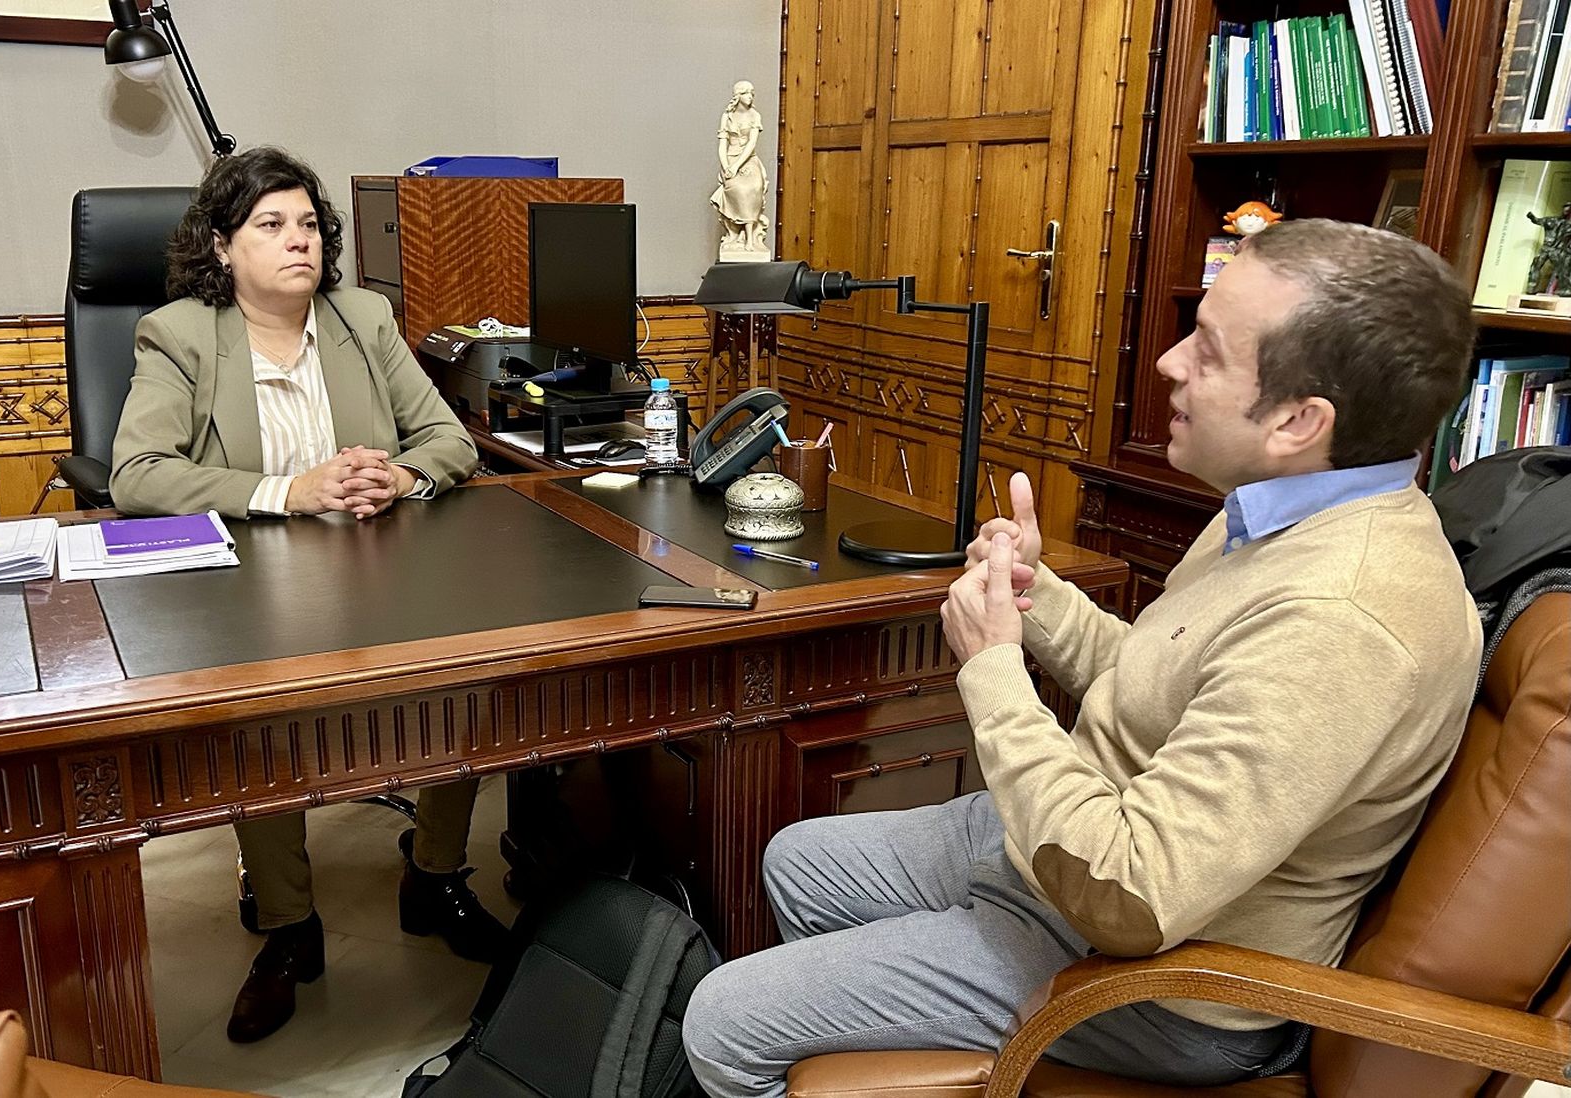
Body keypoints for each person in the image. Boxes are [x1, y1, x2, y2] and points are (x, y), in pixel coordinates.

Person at [681, 220, 1484, 1095]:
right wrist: (1037, 596)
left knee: (725, 1020)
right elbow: (1160, 684)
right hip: (1076, 845)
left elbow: (1131, 897)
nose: (1169, 363)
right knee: (797, 861)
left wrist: (990, 672)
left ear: (1299, 420)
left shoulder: (1343, 618)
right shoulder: (1278, 506)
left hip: (1162, 976)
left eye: (1207, 352)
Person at [111, 147, 500, 1044]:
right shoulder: (180, 334)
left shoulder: (363, 317)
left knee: (466, 671)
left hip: (377, 568)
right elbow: (137, 474)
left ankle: (434, 875)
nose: (302, 242)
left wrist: (398, 477)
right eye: (271, 225)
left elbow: (451, 440)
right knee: (264, 723)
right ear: (223, 248)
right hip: (249, 581)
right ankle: (290, 929)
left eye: (311, 225)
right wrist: (290, 490)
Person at [709, 80, 769, 253]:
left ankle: (750, 239)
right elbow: (722, 145)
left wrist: (736, 166)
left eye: (752, 93)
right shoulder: (727, 116)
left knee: (754, 187)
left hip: (748, 159)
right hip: (730, 159)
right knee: (738, 190)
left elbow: (751, 144)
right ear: (738, 95)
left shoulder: (755, 116)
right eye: (746, 93)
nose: (749, 97)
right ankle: (736, 235)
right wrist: (727, 165)